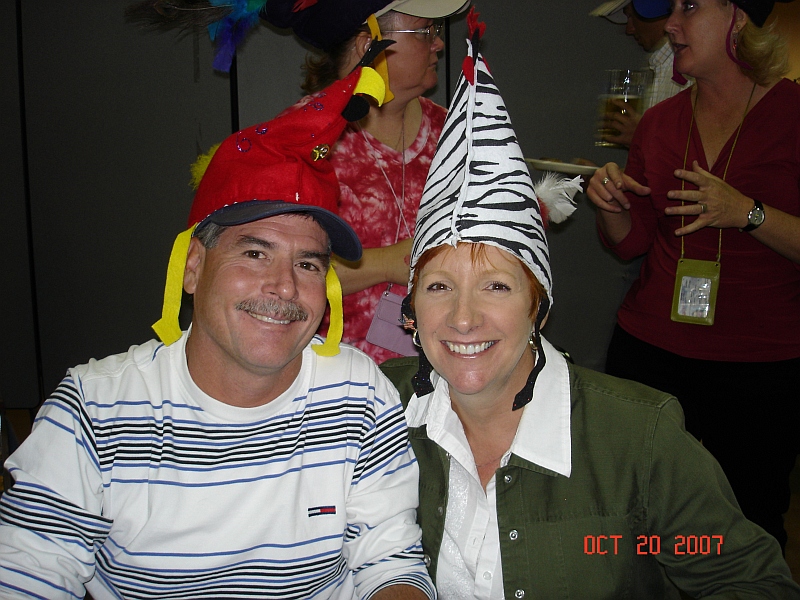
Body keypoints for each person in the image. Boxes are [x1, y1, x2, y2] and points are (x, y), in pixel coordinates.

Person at [379, 11, 800, 598]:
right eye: (438, 287)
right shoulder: (373, 410)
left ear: (539, 305)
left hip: (759, 355)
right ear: (410, 309)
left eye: (497, 286)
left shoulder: (637, 442)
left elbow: (743, 577)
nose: (464, 318)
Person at [0, 69, 434, 600]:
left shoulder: (358, 393)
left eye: (307, 263)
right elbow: (29, 570)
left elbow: (390, 563)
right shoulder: (96, 410)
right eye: (254, 253)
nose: (285, 287)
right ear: (193, 266)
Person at [127, 0, 469, 363]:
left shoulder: (459, 135)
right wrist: (386, 263)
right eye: (424, 31)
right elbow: (267, 266)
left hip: (444, 366)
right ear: (367, 44)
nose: (438, 43)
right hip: (330, 373)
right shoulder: (300, 144)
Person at [586, 0, 800, 553]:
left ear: (738, 16)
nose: (671, 25)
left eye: (689, 6)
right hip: (651, 349)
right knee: (643, 521)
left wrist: (747, 212)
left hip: (758, 367)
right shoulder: (661, 122)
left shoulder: (792, 115)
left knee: (749, 525)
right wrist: (610, 206)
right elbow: (632, 241)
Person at [591, 0, 692, 147]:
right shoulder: (659, 67)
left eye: (631, 16)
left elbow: (695, 152)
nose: (629, 29)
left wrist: (642, 137)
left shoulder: (691, 72)